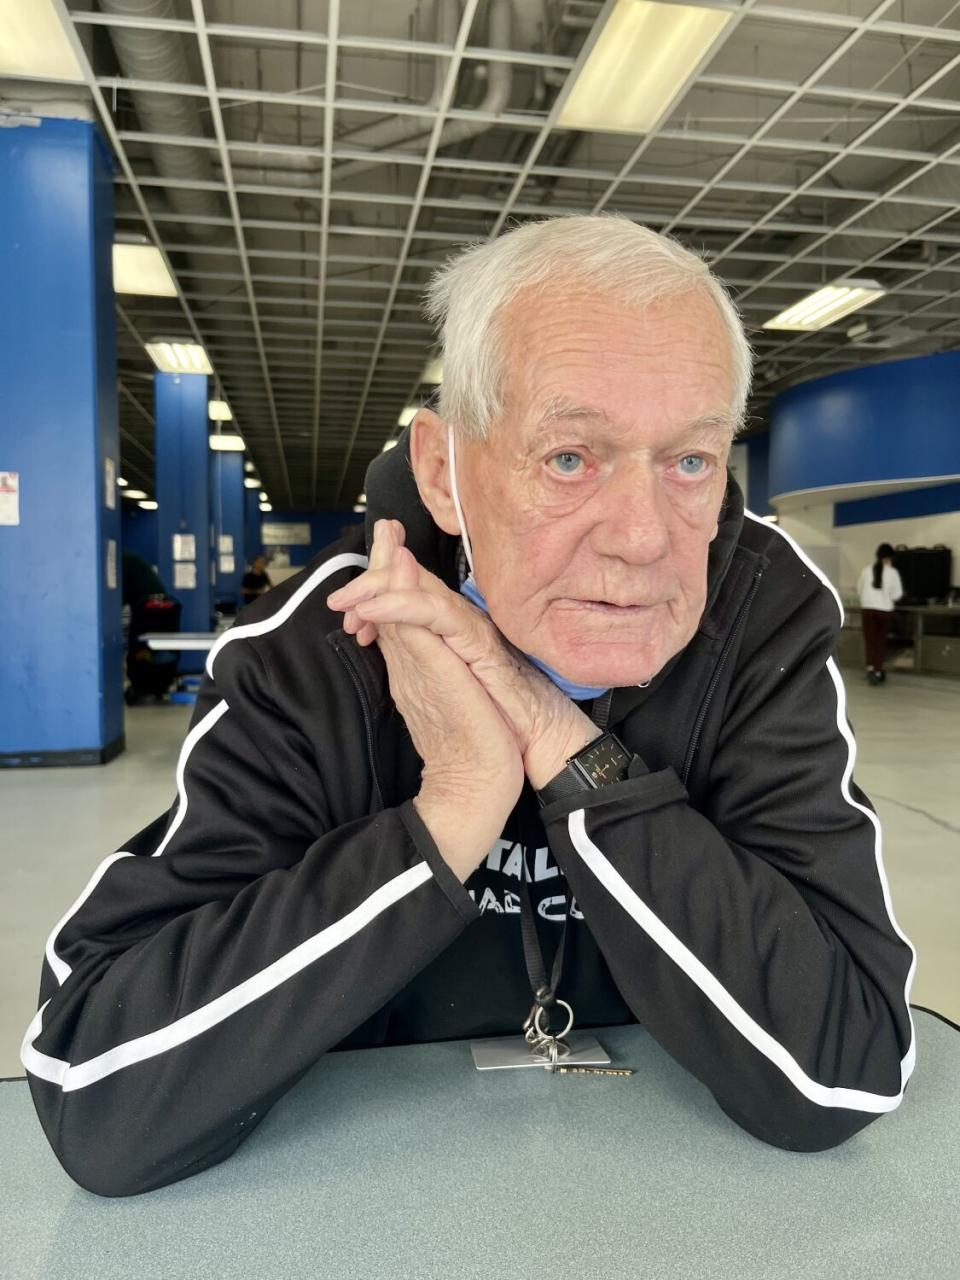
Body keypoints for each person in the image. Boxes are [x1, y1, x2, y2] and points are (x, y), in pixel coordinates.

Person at [22, 216, 916, 1198]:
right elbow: (94, 1088)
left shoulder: (757, 619)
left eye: (690, 461)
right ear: (445, 473)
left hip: (657, 1192)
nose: (642, 536)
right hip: (369, 1195)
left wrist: (556, 739)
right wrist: (454, 802)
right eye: (570, 458)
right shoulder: (315, 651)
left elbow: (844, 1062)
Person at [857, 544, 904, 685]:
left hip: (867, 610)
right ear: (889, 558)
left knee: (870, 641)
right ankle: (878, 670)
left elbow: (859, 589)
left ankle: (870, 668)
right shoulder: (892, 572)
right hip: (884, 611)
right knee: (880, 642)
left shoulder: (866, 570)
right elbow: (897, 595)